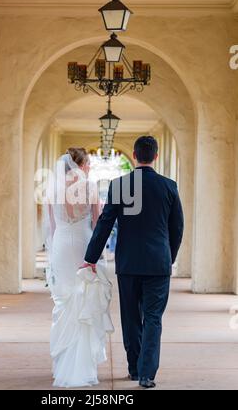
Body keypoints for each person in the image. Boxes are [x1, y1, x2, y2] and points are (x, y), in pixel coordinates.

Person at [81, 136, 184, 389]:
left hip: (128, 263)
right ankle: (147, 374)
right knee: (153, 318)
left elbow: (105, 223)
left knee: (130, 317)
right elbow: (177, 228)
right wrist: (168, 256)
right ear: (155, 157)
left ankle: (134, 369)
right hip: (158, 263)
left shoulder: (118, 186)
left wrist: (90, 257)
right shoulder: (169, 186)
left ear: (135, 157)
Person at [46, 148, 114, 388]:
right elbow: (97, 223)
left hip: (62, 245)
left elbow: (52, 227)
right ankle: (83, 365)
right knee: (85, 299)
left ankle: (64, 362)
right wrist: (99, 256)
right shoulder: (90, 187)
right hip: (84, 243)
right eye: (88, 164)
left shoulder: (52, 187)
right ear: (81, 164)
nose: (89, 168)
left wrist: (53, 256)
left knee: (64, 302)